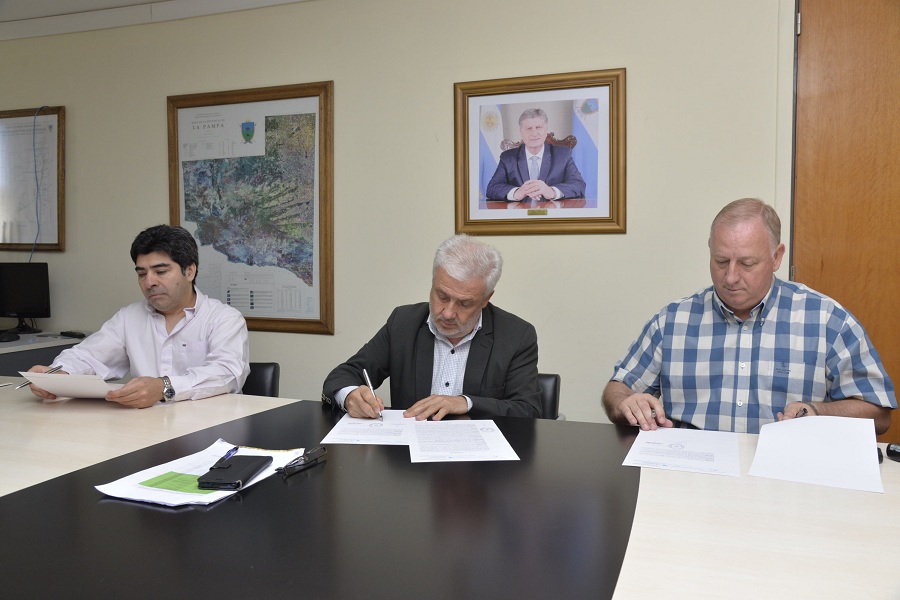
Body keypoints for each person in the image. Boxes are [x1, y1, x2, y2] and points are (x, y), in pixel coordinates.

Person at [602, 198, 896, 434]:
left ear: (776, 257)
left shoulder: (826, 320)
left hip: (787, 475)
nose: (730, 277)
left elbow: (879, 413)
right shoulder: (673, 321)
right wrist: (626, 403)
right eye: (721, 261)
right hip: (690, 473)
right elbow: (617, 389)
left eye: (747, 263)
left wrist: (819, 412)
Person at [322, 234, 541, 420]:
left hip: (480, 455)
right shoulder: (403, 323)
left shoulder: (516, 336)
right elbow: (342, 375)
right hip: (409, 453)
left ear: (486, 299)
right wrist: (350, 396)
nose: (448, 313)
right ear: (433, 282)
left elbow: (528, 410)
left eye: (464, 303)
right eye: (442, 296)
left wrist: (466, 403)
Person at [27, 224, 250, 408]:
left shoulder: (224, 318)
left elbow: (228, 374)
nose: (149, 282)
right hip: (145, 428)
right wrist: (58, 375)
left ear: (190, 271)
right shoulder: (129, 317)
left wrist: (164, 387)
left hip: (210, 429)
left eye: (161, 272)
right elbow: (87, 356)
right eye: (142, 274)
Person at [485, 107, 586, 202]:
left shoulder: (563, 155)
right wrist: (517, 192)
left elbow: (579, 185)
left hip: (552, 212)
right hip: (519, 212)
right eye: (529, 128)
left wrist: (552, 191)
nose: (534, 133)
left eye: (538, 127)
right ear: (521, 132)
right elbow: (492, 188)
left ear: (546, 130)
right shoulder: (507, 158)